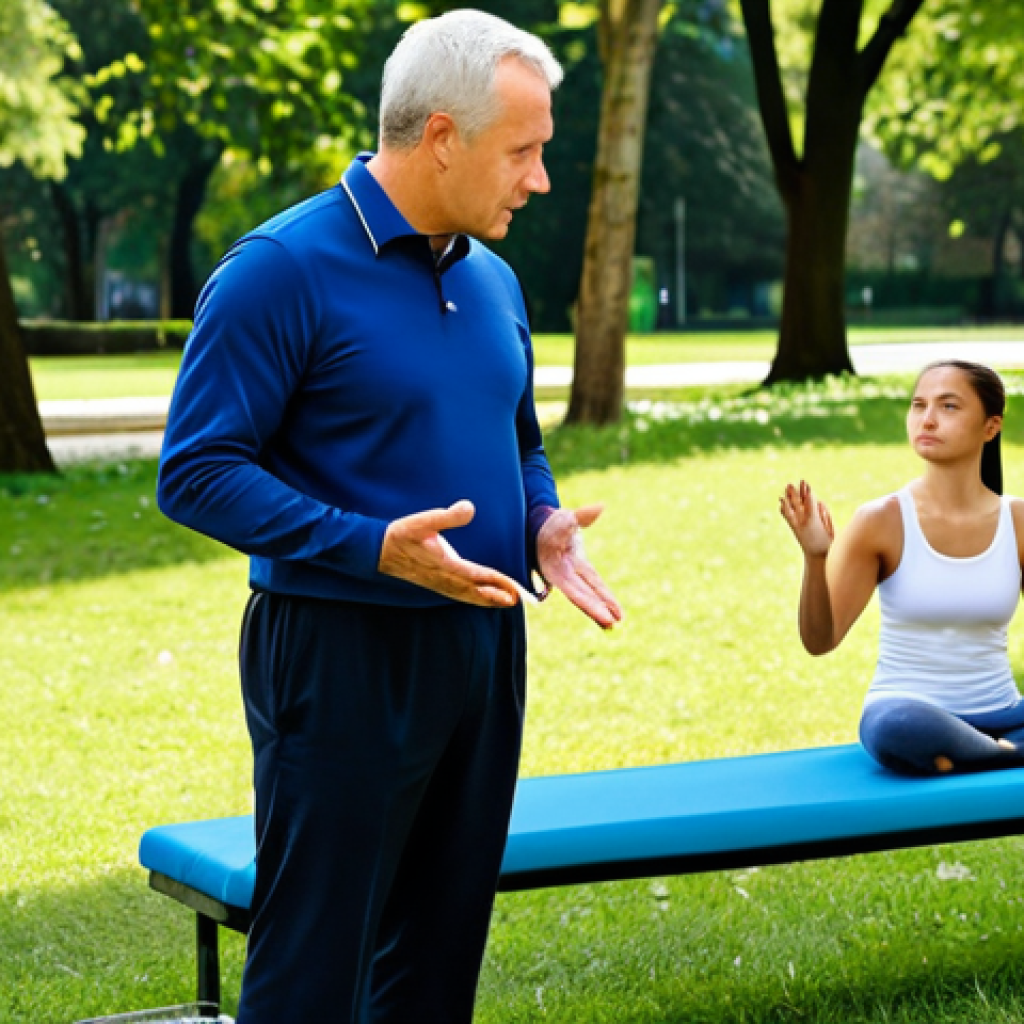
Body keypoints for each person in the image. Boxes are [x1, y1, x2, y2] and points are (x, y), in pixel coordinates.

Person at [156, 10, 622, 1023]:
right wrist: (372, 547)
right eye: (524, 151)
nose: (539, 178)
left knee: (440, 948)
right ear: (441, 136)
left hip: (483, 647)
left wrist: (540, 518)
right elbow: (194, 470)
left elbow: (519, 440)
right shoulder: (279, 269)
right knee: (316, 959)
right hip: (338, 652)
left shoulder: (493, 277)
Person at [779, 360, 1024, 777]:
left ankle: (965, 754)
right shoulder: (882, 521)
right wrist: (815, 558)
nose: (926, 420)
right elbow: (820, 640)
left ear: (991, 426)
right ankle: (1003, 755)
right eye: (918, 405)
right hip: (910, 713)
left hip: (1005, 712)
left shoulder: (1017, 521)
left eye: (948, 407)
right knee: (896, 728)